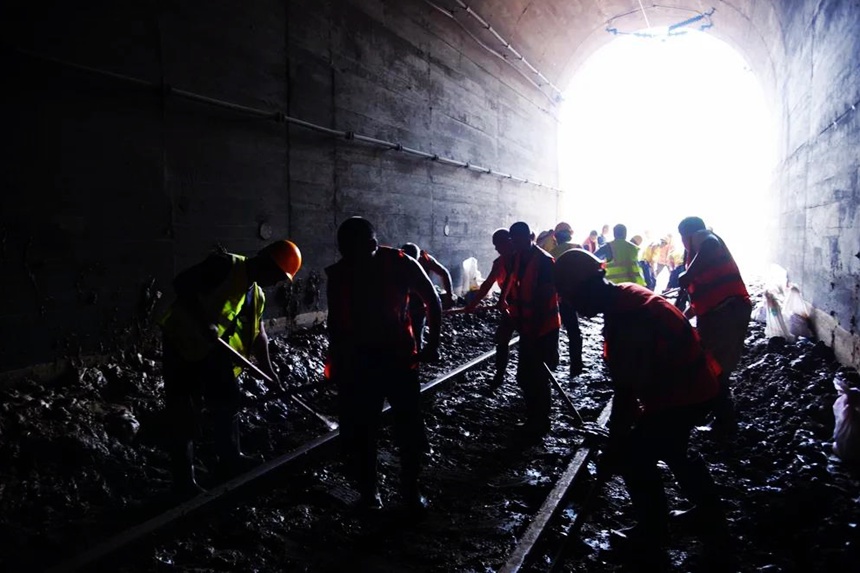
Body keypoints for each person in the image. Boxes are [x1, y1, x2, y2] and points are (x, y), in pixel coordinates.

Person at [554, 249, 728, 559]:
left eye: (572, 298)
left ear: (586, 288)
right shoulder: (625, 296)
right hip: (693, 386)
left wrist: (614, 447)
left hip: (683, 394)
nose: (573, 307)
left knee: (634, 458)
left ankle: (653, 531)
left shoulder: (628, 318)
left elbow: (625, 394)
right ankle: (707, 511)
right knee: (674, 449)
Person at [159, 240, 301, 495]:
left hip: (212, 351)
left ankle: (230, 459)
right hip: (181, 345)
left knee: (228, 402)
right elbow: (181, 283)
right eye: (277, 275)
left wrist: (270, 373)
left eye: (281, 278)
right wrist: (204, 322)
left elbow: (259, 336)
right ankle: (184, 482)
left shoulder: (256, 294)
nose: (276, 281)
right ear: (264, 259)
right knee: (184, 412)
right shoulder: (225, 265)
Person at [329, 218, 442, 511]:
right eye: (344, 251)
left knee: (408, 427)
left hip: (398, 360)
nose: (349, 257)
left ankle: (410, 491)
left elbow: (433, 299)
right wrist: (336, 365)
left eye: (354, 250)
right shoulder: (341, 273)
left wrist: (432, 343)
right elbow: (336, 325)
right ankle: (370, 494)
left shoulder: (401, 263)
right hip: (360, 363)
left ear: (372, 245)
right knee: (362, 431)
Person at [677, 216, 752, 435]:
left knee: (714, 366)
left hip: (726, 312)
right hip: (722, 312)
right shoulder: (697, 254)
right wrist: (684, 315)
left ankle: (725, 423)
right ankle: (722, 418)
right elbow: (704, 295)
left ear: (686, 234)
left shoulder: (702, 237)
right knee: (716, 366)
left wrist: (688, 274)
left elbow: (710, 243)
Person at [506, 222, 561, 437]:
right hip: (528, 326)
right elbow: (515, 291)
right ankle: (534, 417)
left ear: (531, 236)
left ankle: (540, 420)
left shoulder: (545, 262)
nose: (518, 243)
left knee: (538, 375)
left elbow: (544, 296)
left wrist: (532, 330)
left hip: (544, 327)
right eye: (515, 240)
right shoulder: (518, 259)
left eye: (521, 238)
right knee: (525, 376)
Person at [464, 228, 516, 389]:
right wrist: (473, 304)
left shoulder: (521, 259)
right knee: (502, 340)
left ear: (509, 242)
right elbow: (487, 284)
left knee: (530, 341)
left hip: (527, 306)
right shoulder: (499, 263)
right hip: (509, 306)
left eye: (498, 244)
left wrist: (502, 301)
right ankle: (499, 374)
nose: (496, 249)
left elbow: (512, 279)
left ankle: (532, 375)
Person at [401, 243, 454, 351]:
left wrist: (449, 295)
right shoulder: (397, 260)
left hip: (419, 297)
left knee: (416, 329)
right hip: (402, 296)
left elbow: (444, 273)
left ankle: (416, 355)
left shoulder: (426, 259)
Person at [550, 222, 584, 377]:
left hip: (561, 297)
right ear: (570, 234)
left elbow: (552, 278)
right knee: (574, 331)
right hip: (576, 295)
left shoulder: (554, 252)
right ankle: (576, 365)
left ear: (556, 237)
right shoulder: (579, 247)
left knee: (554, 329)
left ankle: (553, 362)